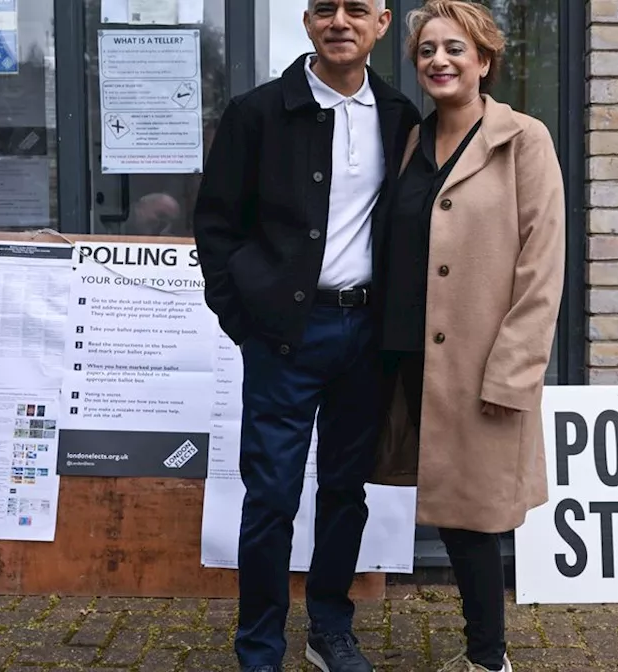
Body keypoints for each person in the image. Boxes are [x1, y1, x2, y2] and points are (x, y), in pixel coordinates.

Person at [192, 1, 420, 670]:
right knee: (271, 495)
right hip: (285, 337)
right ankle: (260, 646)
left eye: (356, 9)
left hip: (367, 336)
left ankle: (329, 629)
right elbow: (216, 226)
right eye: (325, 8)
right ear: (307, 22)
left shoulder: (401, 116)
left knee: (347, 491)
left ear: (381, 23)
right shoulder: (257, 113)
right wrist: (246, 320)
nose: (339, 20)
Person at [370, 1, 565, 671]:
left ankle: (489, 659)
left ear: (483, 60)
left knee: (473, 519)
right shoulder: (408, 141)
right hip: (405, 357)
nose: (439, 61)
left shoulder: (524, 140)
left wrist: (513, 370)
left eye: (455, 49)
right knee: (442, 509)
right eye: (426, 51)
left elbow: (543, 267)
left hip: (480, 363)